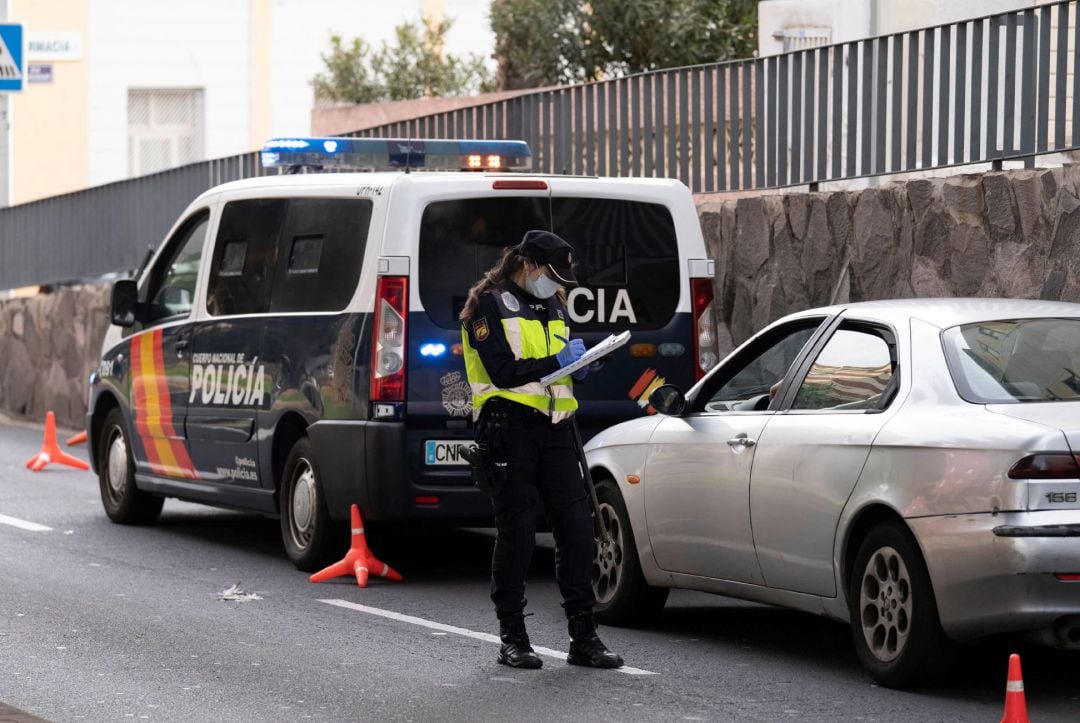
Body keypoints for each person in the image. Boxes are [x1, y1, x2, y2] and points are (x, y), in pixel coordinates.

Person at [460, 229, 624, 670]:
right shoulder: (487, 305)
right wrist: (561, 362)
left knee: (576, 530)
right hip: (509, 429)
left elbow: (557, 369)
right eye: (552, 274)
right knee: (517, 533)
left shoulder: (551, 303)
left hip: (556, 429)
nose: (559, 284)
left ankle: (583, 636)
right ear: (527, 264)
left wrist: (585, 364)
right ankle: (513, 635)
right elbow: (503, 371)